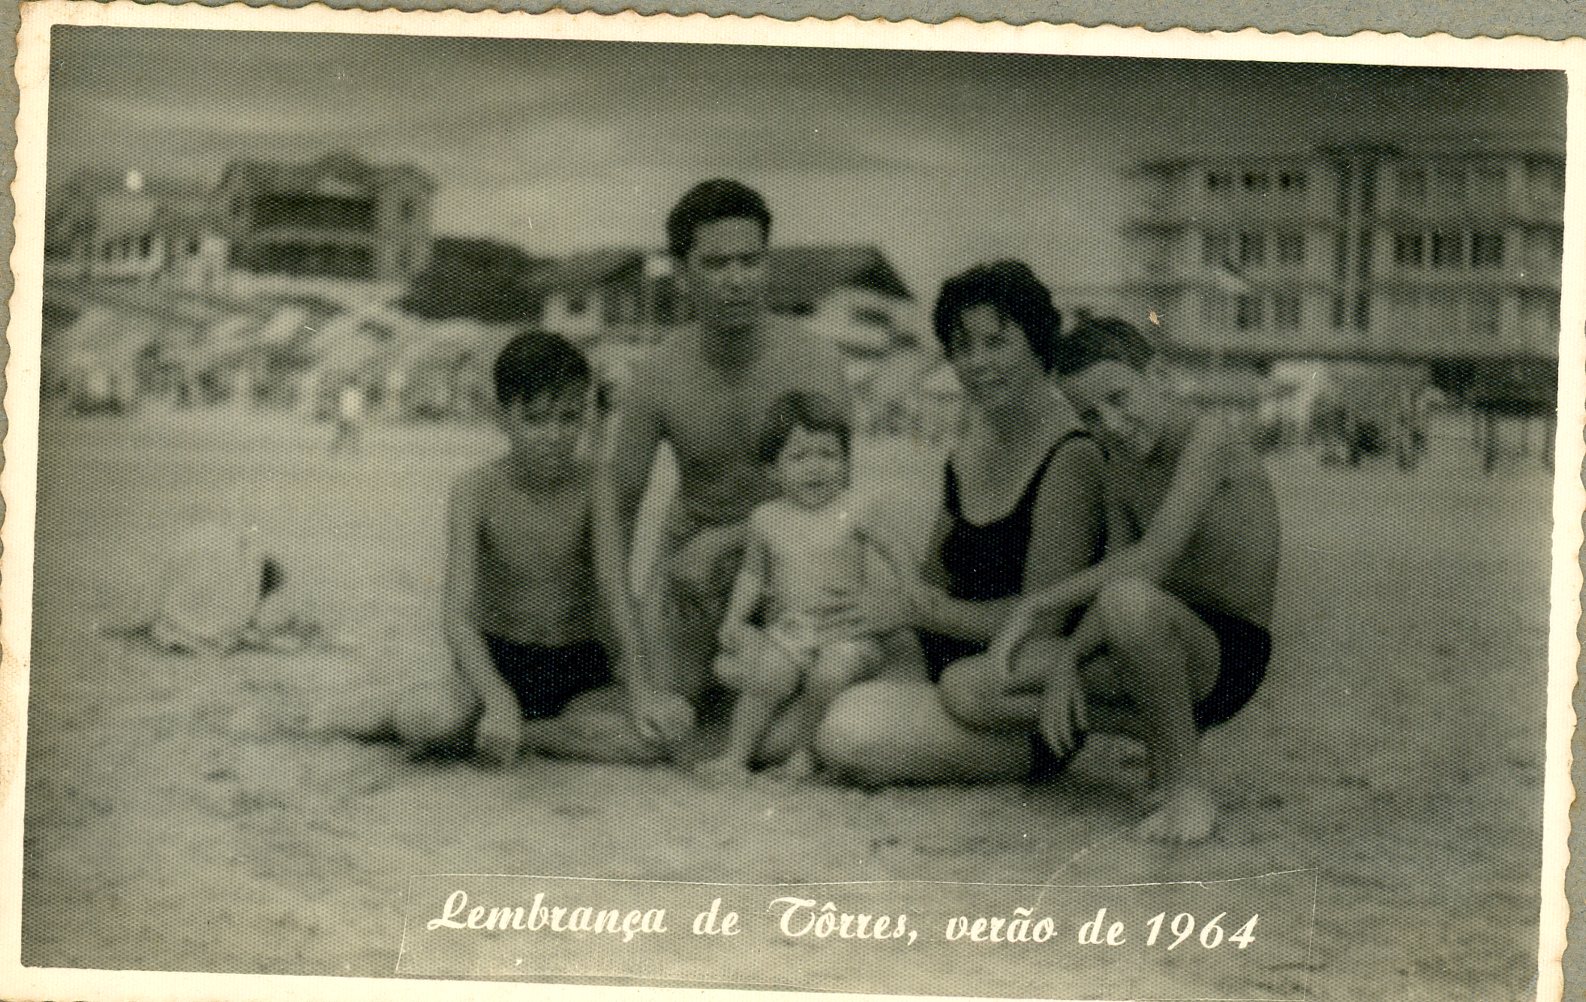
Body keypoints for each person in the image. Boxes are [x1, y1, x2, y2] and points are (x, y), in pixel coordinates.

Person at [813, 261, 1108, 784]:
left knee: (845, 732)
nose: (977, 363)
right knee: (810, 691)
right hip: (941, 664)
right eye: (962, 347)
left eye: (996, 342)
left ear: (1038, 344)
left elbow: (1041, 623)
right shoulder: (969, 449)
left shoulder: (1071, 455)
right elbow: (933, 584)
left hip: (1008, 696)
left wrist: (914, 609)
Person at [988, 316, 1279, 843]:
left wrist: (1036, 605)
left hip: (1225, 654)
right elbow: (1119, 569)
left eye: (1120, 399)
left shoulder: (1209, 438)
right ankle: (1167, 735)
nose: (1113, 425)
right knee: (975, 686)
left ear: (1159, 377)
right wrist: (1069, 660)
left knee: (1129, 599)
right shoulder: (1117, 462)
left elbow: (1151, 560)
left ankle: (1186, 789)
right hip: (1150, 638)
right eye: (1091, 416)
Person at [593, 179, 852, 761]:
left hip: (789, 564)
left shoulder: (814, 360)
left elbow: (838, 500)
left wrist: (730, 539)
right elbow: (621, 507)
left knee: (783, 739)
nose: (738, 280)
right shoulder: (659, 372)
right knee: (660, 724)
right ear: (682, 273)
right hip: (692, 578)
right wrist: (617, 622)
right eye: (716, 264)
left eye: (750, 260)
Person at [418, 331, 657, 766]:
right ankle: (505, 721)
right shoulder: (475, 490)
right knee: (427, 720)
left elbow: (616, 591)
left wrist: (640, 689)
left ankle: (528, 733)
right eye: (536, 419)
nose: (555, 435)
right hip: (499, 658)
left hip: (578, 663)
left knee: (662, 730)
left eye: (570, 418)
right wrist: (497, 696)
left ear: (586, 414)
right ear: (502, 417)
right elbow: (457, 615)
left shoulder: (595, 484)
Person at [697, 391, 885, 781]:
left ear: (846, 463)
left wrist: (904, 592)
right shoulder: (766, 518)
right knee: (767, 675)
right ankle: (736, 756)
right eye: (799, 457)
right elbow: (752, 576)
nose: (815, 468)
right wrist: (734, 618)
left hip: (846, 629)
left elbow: (894, 550)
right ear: (773, 471)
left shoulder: (855, 509)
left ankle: (805, 754)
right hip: (792, 629)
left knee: (830, 674)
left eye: (828, 455)